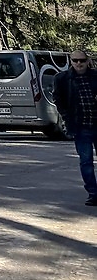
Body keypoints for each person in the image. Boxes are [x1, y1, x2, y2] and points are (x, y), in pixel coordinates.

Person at [53, 49, 97, 206]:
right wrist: (66, 116)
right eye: (75, 60)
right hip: (80, 127)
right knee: (86, 162)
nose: (79, 63)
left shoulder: (95, 76)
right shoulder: (62, 78)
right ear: (71, 61)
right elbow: (58, 99)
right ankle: (93, 194)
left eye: (82, 60)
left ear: (87, 61)